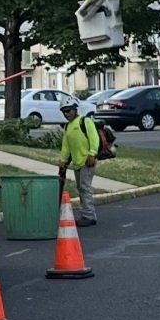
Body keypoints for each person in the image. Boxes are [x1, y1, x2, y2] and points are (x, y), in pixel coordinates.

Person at [59, 95, 101, 225]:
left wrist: (92, 154)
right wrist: (63, 161)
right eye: (63, 111)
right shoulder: (68, 127)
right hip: (77, 163)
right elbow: (66, 146)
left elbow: (94, 138)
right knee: (80, 187)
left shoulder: (85, 121)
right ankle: (86, 213)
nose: (66, 114)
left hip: (87, 161)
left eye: (68, 110)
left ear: (75, 109)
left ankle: (89, 215)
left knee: (85, 187)